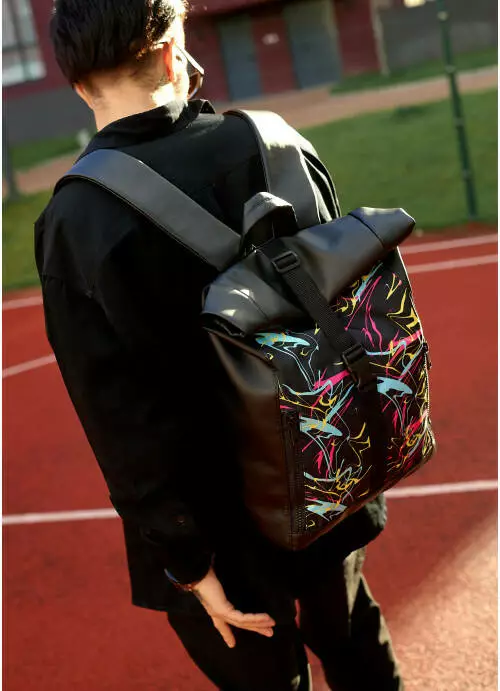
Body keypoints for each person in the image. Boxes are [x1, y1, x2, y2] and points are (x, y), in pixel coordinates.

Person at [35, 1, 404, 689]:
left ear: (78, 84)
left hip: (217, 521)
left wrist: (186, 562)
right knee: (353, 639)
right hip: (324, 461)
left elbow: (119, 420)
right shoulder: (276, 142)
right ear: (173, 51)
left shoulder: (76, 220)